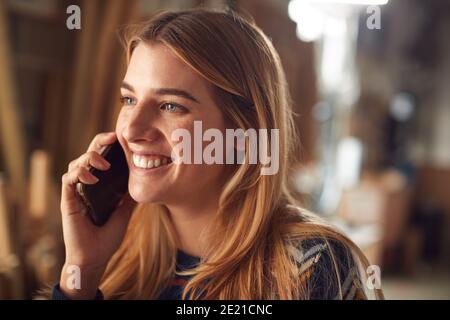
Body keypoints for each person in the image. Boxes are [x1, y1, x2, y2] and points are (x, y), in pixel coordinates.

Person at [51, 7, 383, 300]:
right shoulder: (117, 252)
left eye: (170, 106)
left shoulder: (314, 266)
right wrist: (81, 273)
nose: (132, 130)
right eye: (129, 100)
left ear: (243, 131)